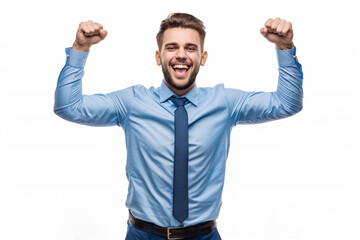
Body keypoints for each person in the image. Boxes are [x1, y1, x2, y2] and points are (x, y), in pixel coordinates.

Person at [54, 13, 303, 240]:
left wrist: (284, 47)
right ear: (158, 56)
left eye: (190, 48)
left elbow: (286, 104)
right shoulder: (132, 103)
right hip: (143, 234)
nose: (181, 55)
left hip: (203, 235)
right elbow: (69, 107)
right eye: (171, 47)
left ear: (202, 58)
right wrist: (80, 48)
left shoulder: (225, 103)